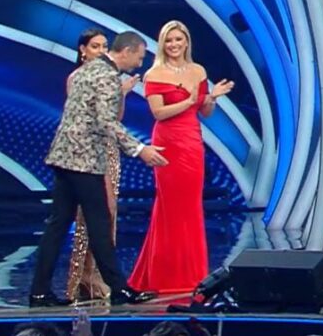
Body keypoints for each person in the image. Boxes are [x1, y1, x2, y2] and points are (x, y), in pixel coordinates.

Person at [29, 31, 167, 307]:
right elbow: (106, 122)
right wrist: (140, 149)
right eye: (139, 57)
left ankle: (39, 291)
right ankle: (119, 289)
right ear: (126, 51)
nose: (139, 64)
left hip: (64, 157)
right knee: (99, 225)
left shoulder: (87, 70)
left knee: (58, 225)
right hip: (83, 160)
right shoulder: (107, 76)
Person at [128, 21, 234, 294]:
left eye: (178, 39)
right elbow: (159, 113)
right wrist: (188, 101)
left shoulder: (198, 70)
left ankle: (193, 274)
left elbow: (204, 112)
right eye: (169, 40)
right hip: (168, 143)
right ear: (162, 44)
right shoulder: (154, 74)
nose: (174, 45)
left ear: (187, 41)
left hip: (192, 142)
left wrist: (212, 98)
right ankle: (164, 277)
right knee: (170, 208)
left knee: (191, 208)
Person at [66, 29, 140, 301]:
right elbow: (88, 117)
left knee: (109, 213)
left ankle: (97, 276)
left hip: (109, 150)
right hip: (87, 152)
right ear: (82, 50)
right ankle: (83, 278)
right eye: (95, 46)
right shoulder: (78, 77)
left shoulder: (111, 78)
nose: (100, 51)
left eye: (104, 46)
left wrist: (121, 94)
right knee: (90, 214)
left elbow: (115, 118)